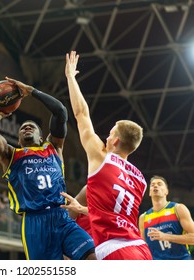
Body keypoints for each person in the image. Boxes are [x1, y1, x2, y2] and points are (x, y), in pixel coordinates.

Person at [0, 77, 95, 260]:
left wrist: (32, 91)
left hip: (62, 216)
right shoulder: (11, 156)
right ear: (19, 140)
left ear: (42, 136)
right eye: (22, 129)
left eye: (32, 127)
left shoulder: (54, 148)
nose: (27, 128)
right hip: (35, 222)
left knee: (93, 258)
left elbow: (60, 111)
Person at [64, 50, 152, 260]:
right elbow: (114, 214)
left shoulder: (101, 158)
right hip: (142, 249)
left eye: (110, 133)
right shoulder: (141, 180)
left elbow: (81, 114)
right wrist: (83, 209)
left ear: (115, 141)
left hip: (115, 250)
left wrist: (70, 77)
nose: (106, 137)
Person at [139, 175, 194, 260]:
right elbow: (144, 247)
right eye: (152, 185)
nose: (155, 186)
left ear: (166, 191)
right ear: (149, 192)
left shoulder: (178, 208)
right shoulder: (143, 217)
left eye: (159, 184)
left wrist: (165, 236)